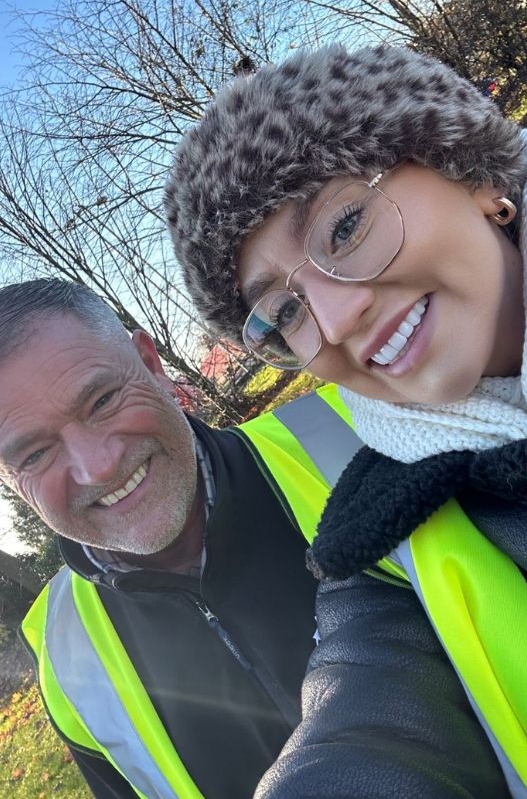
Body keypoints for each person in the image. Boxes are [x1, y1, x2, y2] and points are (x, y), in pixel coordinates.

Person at [164, 44, 527, 797]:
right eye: (285, 311)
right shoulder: (376, 546)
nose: (333, 317)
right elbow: (367, 726)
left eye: (345, 226)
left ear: (472, 172)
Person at [2, 278, 359, 799]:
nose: (97, 468)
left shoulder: (357, 433)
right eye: (34, 455)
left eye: (101, 400)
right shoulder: (63, 658)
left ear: (151, 363)